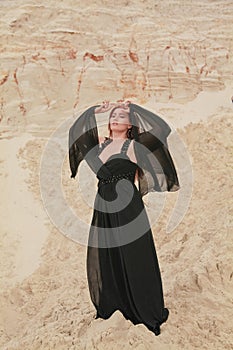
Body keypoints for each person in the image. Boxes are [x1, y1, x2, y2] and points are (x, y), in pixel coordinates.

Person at [68, 101, 180, 336]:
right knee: (108, 256)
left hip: (129, 208)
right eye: (113, 115)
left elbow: (162, 129)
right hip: (104, 207)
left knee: (134, 255)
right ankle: (116, 305)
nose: (116, 118)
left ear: (131, 124)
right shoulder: (100, 145)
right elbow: (76, 133)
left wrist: (134, 107)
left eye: (122, 115)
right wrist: (93, 110)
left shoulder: (135, 146)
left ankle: (144, 308)